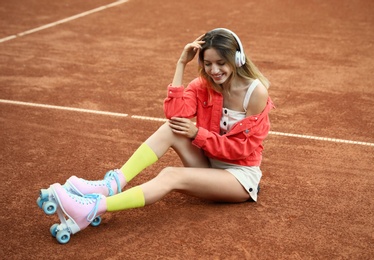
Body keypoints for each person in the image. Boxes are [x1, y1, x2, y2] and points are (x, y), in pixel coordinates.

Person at [47, 28, 274, 235]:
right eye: (207, 64)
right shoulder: (203, 85)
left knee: (170, 175)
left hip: (238, 177)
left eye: (221, 63)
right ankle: (113, 183)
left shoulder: (255, 93)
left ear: (237, 59)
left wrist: (197, 135)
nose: (214, 70)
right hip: (209, 163)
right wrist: (180, 64)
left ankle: (94, 208)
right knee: (172, 127)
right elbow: (175, 115)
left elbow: (241, 149)